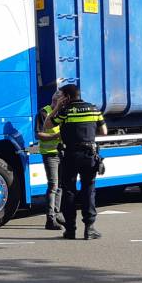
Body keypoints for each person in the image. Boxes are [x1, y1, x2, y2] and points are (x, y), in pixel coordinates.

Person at [44, 84, 108, 240]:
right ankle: (89, 228)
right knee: (88, 190)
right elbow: (104, 132)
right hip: (89, 155)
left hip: (70, 155)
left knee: (69, 191)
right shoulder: (94, 109)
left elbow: (47, 125)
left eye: (61, 96)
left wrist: (57, 107)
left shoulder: (65, 112)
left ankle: (71, 229)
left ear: (67, 97)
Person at [36, 91, 64, 231]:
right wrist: (56, 136)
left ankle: (57, 213)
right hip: (50, 154)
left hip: (62, 152)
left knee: (60, 186)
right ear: (56, 100)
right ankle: (50, 219)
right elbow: (39, 134)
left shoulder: (62, 112)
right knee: (53, 185)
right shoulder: (44, 112)